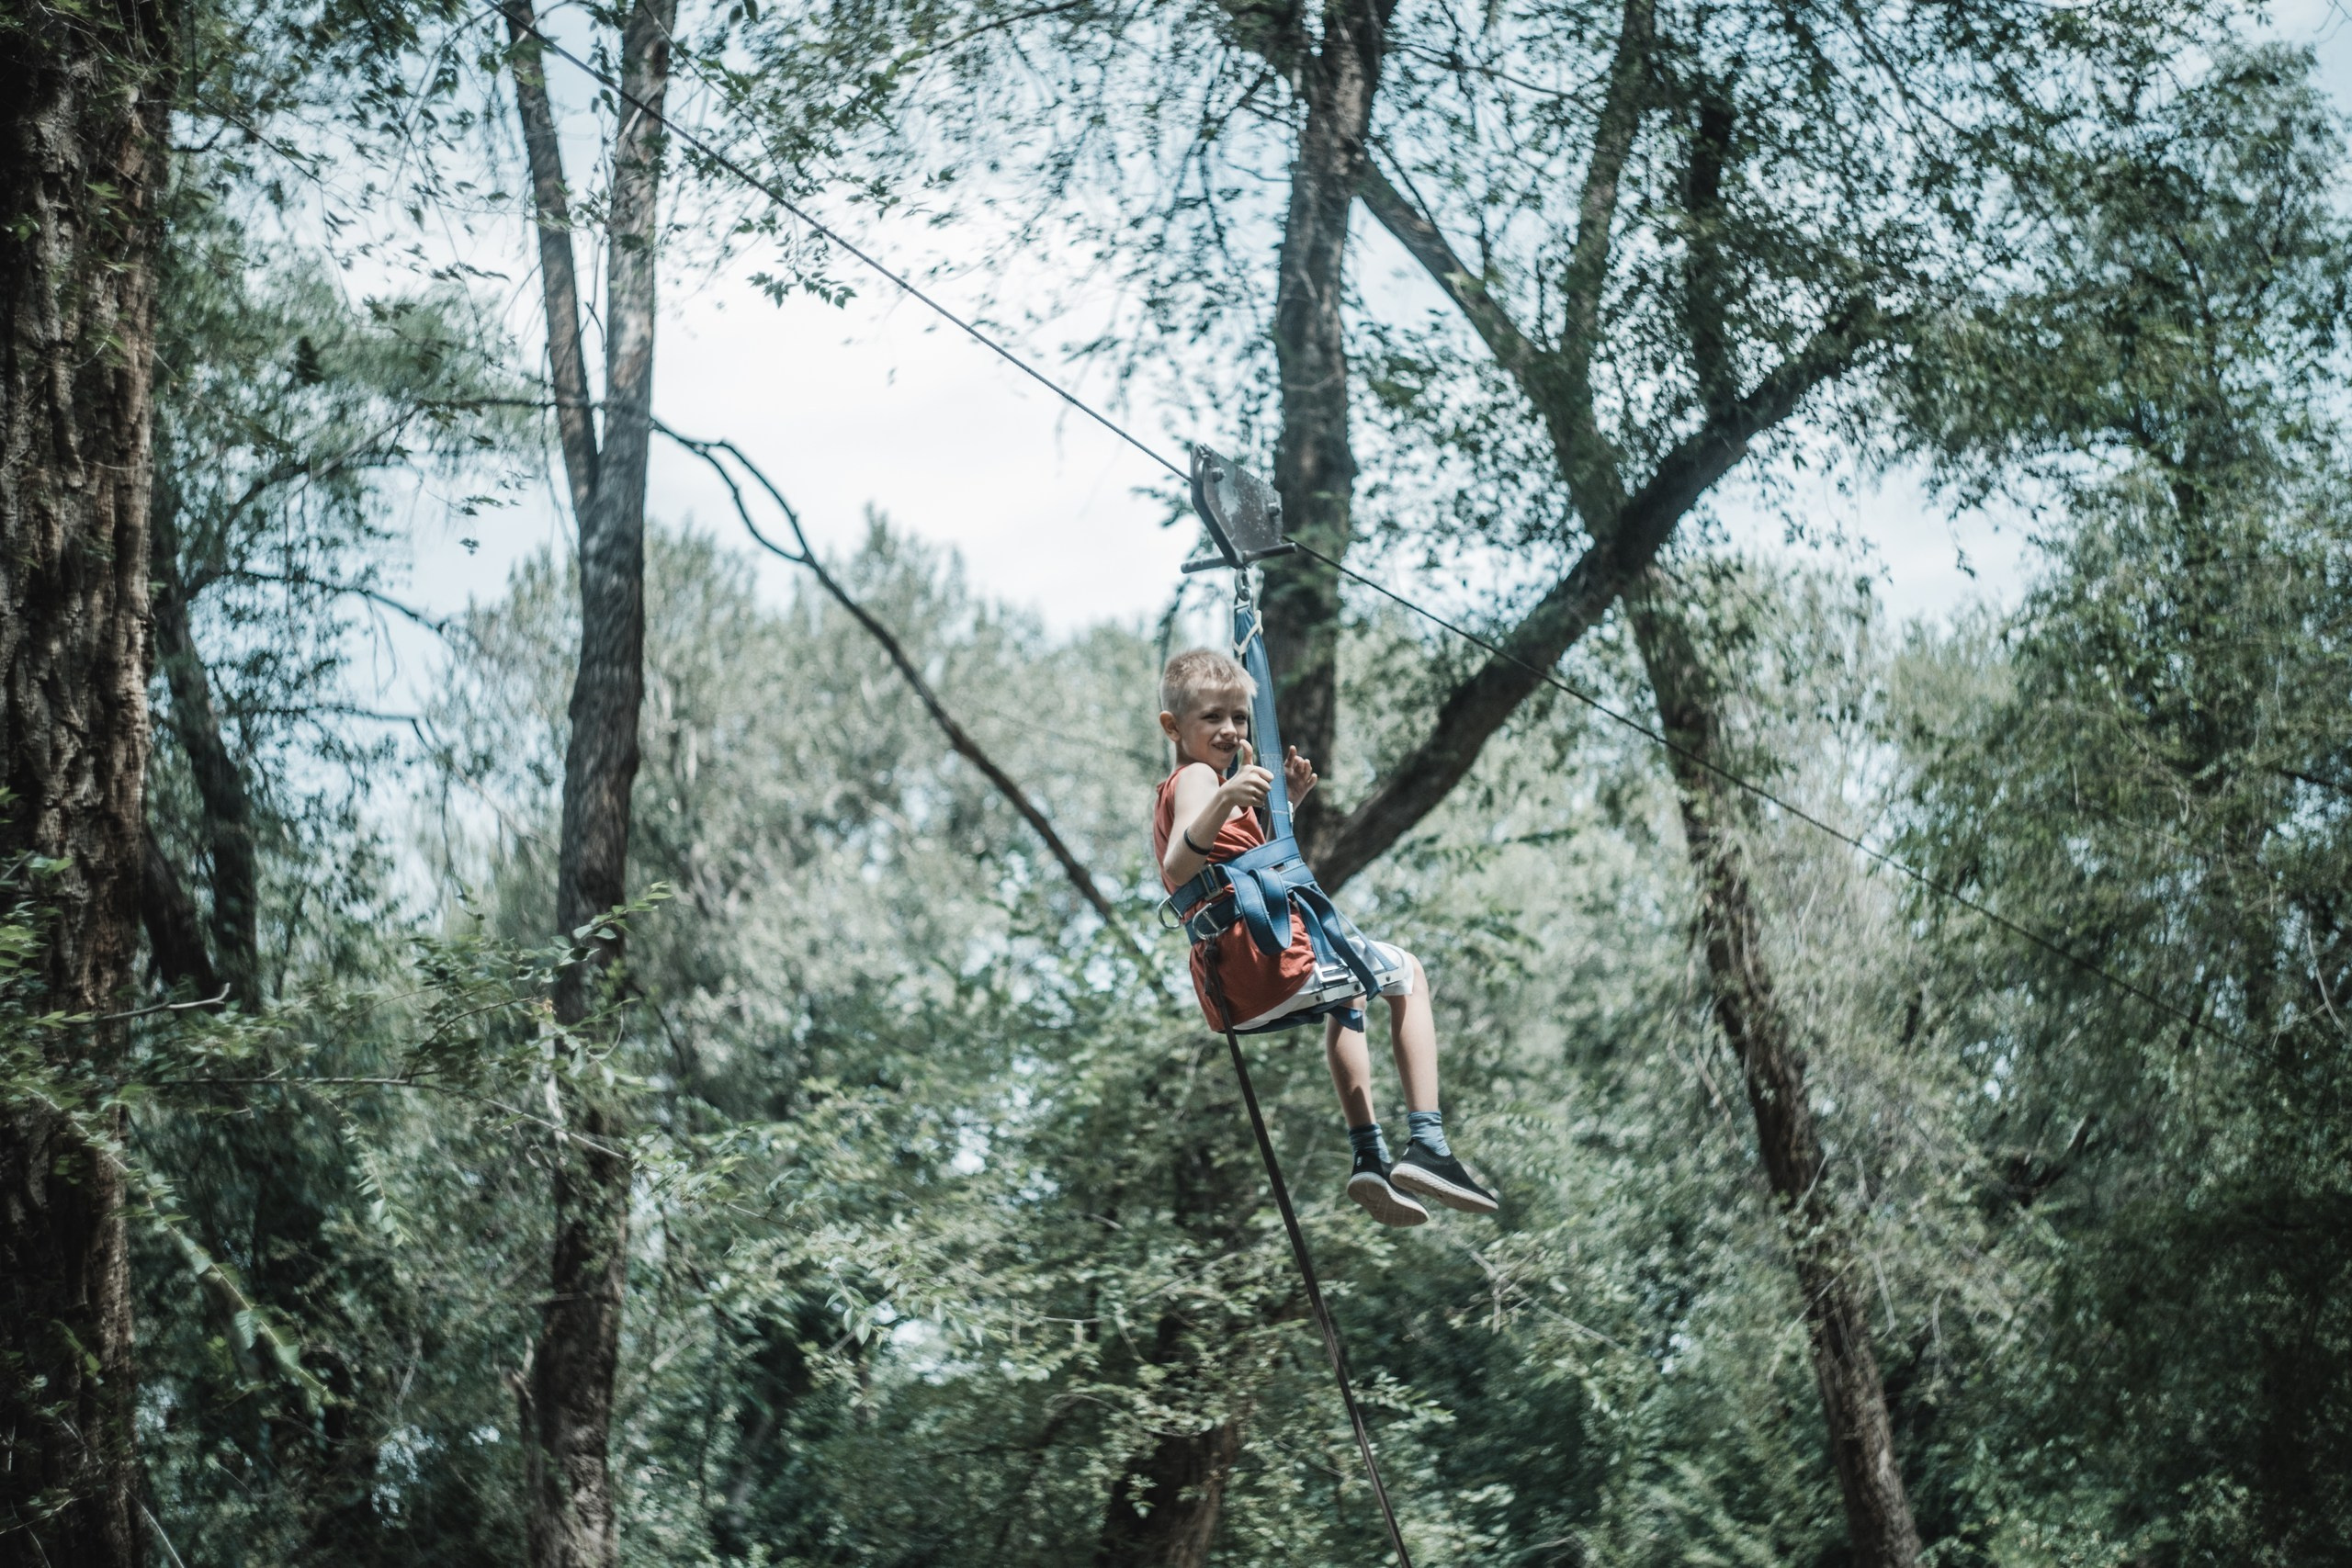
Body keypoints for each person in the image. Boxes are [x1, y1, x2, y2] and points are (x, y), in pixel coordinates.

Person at [1150, 647, 1498, 1227]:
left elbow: (1233, 860)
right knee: (1407, 973)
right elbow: (1181, 862)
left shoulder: (1210, 785)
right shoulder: (1195, 778)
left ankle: (1369, 1156)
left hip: (1236, 988)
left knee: (1352, 993)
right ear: (1173, 726)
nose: (1231, 731)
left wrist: (1283, 807)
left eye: (1238, 718)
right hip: (1266, 962)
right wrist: (1225, 797)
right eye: (1212, 717)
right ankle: (1429, 1144)